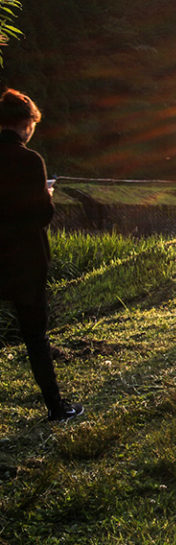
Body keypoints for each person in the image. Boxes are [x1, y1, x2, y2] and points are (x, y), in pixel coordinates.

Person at [0, 89, 83, 422]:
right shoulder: (29, 160)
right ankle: (55, 406)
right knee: (35, 335)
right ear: (25, 124)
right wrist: (47, 194)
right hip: (25, 259)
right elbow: (40, 216)